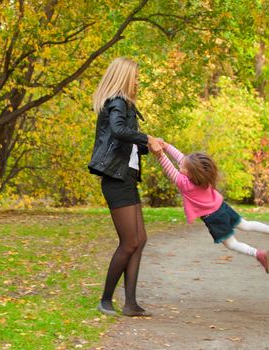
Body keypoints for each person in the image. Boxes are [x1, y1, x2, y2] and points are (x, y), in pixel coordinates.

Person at [88, 57, 162, 317]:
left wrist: (146, 145)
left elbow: (125, 140)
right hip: (115, 179)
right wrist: (147, 138)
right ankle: (105, 300)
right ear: (124, 77)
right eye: (136, 76)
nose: (138, 81)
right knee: (129, 242)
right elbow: (119, 131)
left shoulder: (125, 104)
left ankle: (130, 303)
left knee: (140, 240)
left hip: (126, 177)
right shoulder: (117, 101)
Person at [152, 141, 269, 273]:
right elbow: (181, 159)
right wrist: (167, 146)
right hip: (221, 207)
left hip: (213, 218)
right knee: (246, 225)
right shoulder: (203, 178)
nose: (179, 167)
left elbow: (168, 167)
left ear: (190, 173)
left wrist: (160, 153)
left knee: (232, 244)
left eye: (182, 167)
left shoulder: (185, 184)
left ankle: (258, 254)